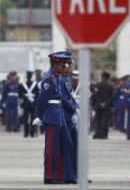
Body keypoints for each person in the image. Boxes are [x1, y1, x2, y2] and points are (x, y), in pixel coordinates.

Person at [35, 52, 74, 184]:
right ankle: (50, 176)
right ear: (54, 65)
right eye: (62, 65)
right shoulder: (48, 79)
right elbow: (42, 100)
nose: (64, 68)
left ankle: (60, 175)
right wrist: (40, 116)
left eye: (65, 65)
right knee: (52, 147)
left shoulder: (56, 77)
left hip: (59, 114)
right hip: (52, 114)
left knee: (65, 144)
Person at [60, 52, 79, 183]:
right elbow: (63, 98)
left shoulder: (67, 78)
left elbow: (70, 97)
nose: (71, 67)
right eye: (69, 64)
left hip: (70, 116)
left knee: (75, 146)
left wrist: (76, 108)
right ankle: (68, 176)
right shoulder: (60, 79)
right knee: (67, 147)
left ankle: (76, 174)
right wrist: (74, 108)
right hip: (64, 116)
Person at [92, 71, 114, 139]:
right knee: (105, 120)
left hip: (98, 105)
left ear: (103, 77)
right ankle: (104, 134)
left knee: (98, 120)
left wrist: (99, 103)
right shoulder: (110, 86)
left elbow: (95, 95)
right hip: (107, 106)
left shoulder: (98, 85)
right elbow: (112, 97)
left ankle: (98, 134)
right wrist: (106, 103)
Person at [19, 71, 40, 137]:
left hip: (26, 103)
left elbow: (20, 94)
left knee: (26, 119)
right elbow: (38, 94)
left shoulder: (23, 84)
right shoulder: (35, 84)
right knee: (33, 119)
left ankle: (26, 133)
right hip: (33, 103)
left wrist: (25, 97)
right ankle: (32, 133)